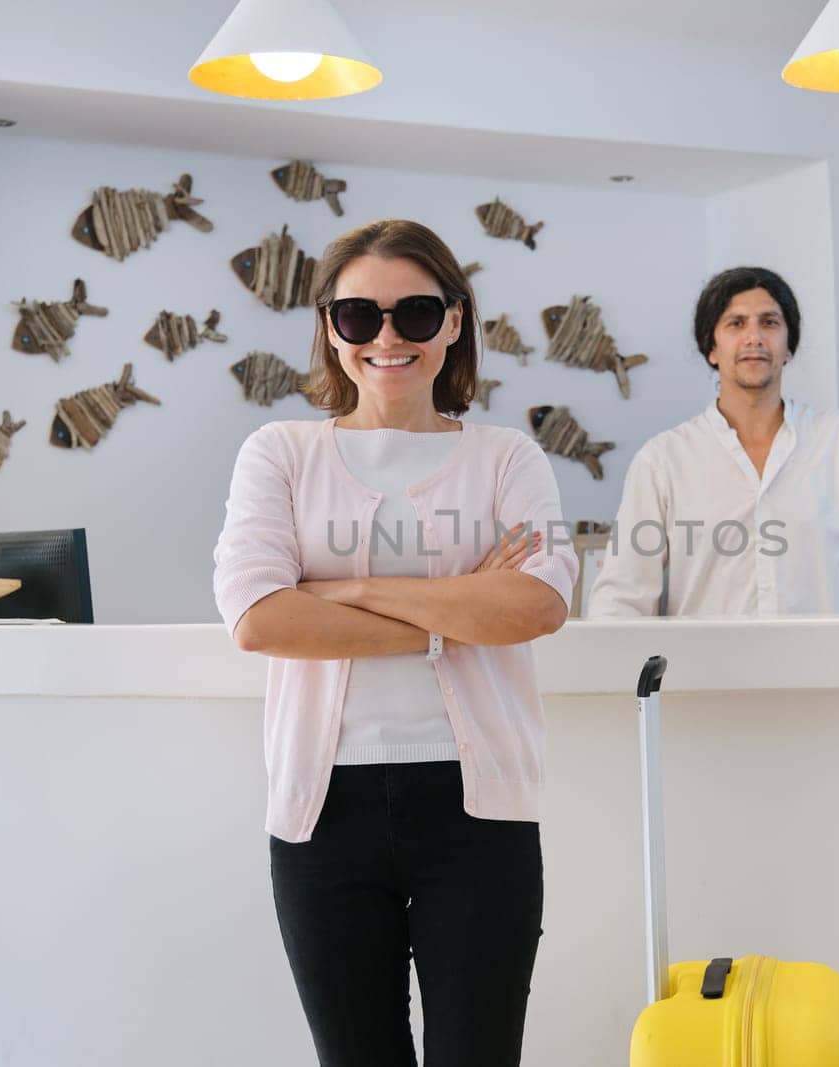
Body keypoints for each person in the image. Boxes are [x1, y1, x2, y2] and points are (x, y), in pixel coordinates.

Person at [212, 218, 578, 1066]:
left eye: (416, 314)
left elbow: (536, 605)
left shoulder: (505, 458)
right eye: (358, 316)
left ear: (454, 321)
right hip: (322, 810)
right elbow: (260, 618)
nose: (387, 337)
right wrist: (454, 610)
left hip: (477, 809)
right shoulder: (281, 453)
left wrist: (350, 590)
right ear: (329, 326)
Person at [586, 266, 839, 617]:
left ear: (788, 346)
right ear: (711, 349)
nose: (754, 337)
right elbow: (620, 600)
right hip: (705, 671)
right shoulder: (664, 459)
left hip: (823, 670)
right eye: (736, 323)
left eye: (769, 323)